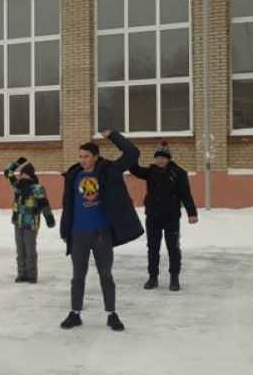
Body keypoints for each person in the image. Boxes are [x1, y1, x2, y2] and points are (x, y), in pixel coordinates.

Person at [59, 130, 143, 332]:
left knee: (105, 274)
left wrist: (113, 136)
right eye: (80, 156)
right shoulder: (73, 176)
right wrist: (65, 230)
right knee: (78, 276)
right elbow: (68, 205)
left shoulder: (108, 171)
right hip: (78, 233)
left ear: (96, 157)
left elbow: (132, 153)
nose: (83, 160)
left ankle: (111, 314)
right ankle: (75, 313)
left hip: (101, 233)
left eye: (86, 156)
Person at [130, 140, 198, 291]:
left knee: (173, 247)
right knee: (153, 247)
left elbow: (185, 194)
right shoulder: (151, 171)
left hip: (171, 216)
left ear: (168, 158)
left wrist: (192, 213)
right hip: (153, 215)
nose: (160, 160)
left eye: (163, 157)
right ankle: (152, 277)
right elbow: (135, 170)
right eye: (158, 157)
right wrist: (131, 155)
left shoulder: (178, 173)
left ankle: (174, 277)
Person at [4, 157, 56, 283]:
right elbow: (7, 172)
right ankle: (22, 274)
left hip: (31, 224)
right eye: (22, 174)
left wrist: (49, 218)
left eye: (27, 175)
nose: (24, 177)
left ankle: (32, 275)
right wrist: (17, 163)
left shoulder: (37, 189)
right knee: (20, 250)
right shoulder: (17, 186)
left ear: (32, 177)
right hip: (18, 223)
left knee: (30, 250)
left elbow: (44, 204)